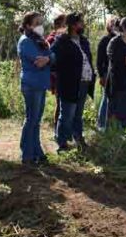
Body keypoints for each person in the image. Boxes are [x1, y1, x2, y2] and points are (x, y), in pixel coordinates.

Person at [52, 12, 96, 152]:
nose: (82, 25)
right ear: (72, 24)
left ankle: (78, 139)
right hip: (69, 83)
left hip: (84, 81)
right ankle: (62, 143)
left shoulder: (83, 40)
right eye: (80, 22)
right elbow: (53, 60)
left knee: (78, 113)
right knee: (67, 113)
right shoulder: (61, 41)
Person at [18, 11, 53, 164]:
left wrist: (48, 58)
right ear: (27, 25)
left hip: (40, 83)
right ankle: (27, 154)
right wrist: (48, 58)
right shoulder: (26, 41)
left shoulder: (40, 40)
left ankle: (36, 151)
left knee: (36, 120)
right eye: (37, 23)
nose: (41, 26)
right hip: (31, 84)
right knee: (32, 119)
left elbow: (53, 56)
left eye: (41, 23)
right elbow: (38, 61)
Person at [96, 16, 119, 131]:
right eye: (113, 24)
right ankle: (101, 124)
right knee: (106, 99)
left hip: (117, 74)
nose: (115, 26)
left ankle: (112, 124)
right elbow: (99, 61)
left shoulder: (120, 39)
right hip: (107, 73)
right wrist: (101, 75)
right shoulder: (105, 40)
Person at [46, 14, 67, 127]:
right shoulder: (52, 38)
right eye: (64, 24)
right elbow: (49, 56)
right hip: (57, 75)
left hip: (65, 74)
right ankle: (57, 128)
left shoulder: (65, 37)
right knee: (60, 103)